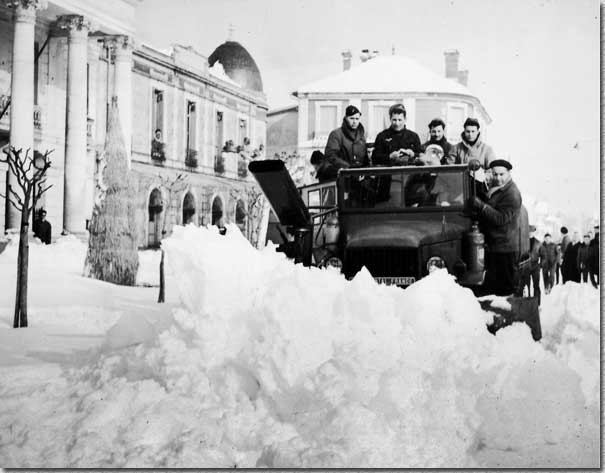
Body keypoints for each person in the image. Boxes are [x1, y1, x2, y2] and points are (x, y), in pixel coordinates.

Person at [468, 159, 521, 296]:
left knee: (505, 289)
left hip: (504, 249)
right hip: (494, 246)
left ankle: (509, 315)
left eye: (501, 174)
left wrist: (482, 206)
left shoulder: (511, 193)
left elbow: (501, 218)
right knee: (493, 288)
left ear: (509, 173)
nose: (498, 178)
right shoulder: (496, 189)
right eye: (495, 174)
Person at [324, 105, 368, 170]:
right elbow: (331, 155)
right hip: (343, 174)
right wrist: (347, 167)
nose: (354, 122)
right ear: (346, 118)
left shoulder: (362, 135)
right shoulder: (336, 134)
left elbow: (365, 157)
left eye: (357, 119)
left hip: (360, 174)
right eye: (352, 118)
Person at [528, 225, 541, 301]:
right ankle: (524, 302)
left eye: (532, 232)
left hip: (535, 266)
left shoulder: (538, 243)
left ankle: (537, 303)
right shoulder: (522, 242)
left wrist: (540, 265)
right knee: (524, 285)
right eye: (529, 232)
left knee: (536, 285)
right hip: (525, 266)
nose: (530, 233)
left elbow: (544, 255)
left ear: (534, 232)